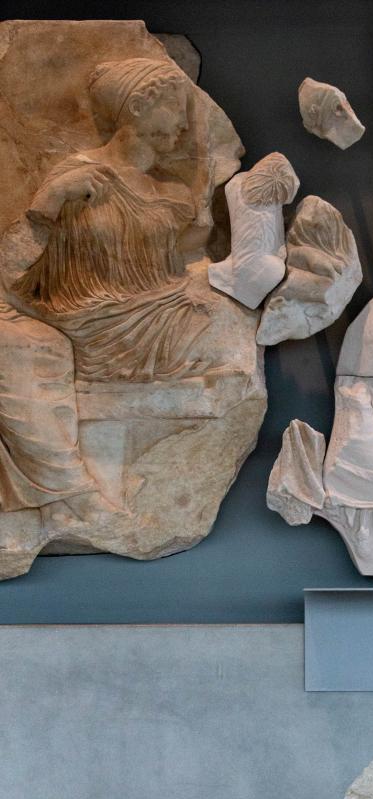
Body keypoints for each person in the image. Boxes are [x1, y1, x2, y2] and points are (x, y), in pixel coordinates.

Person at [0, 57, 234, 527]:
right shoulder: (76, 176)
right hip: (85, 321)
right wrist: (49, 201)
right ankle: (69, 494)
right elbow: (11, 270)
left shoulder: (172, 195)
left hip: (154, 315)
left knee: (227, 326)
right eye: (175, 107)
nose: (184, 124)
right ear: (136, 108)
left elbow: (183, 260)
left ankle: (73, 499)